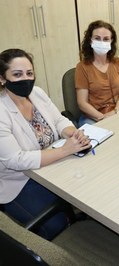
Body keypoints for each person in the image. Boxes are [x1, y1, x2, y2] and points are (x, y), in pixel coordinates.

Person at [0, 48, 91, 239]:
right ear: (2, 78)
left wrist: (72, 133)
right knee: (58, 225)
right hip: (19, 180)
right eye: (17, 74)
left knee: (91, 194)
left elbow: (59, 120)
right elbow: (15, 160)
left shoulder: (37, 93)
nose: (25, 79)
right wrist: (66, 150)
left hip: (52, 166)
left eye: (29, 73)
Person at [75, 20, 119, 126]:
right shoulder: (82, 67)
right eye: (97, 38)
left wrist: (115, 112)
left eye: (106, 39)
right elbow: (82, 103)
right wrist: (102, 118)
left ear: (111, 41)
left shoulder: (118, 63)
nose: (101, 42)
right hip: (93, 117)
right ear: (90, 41)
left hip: (117, 113)